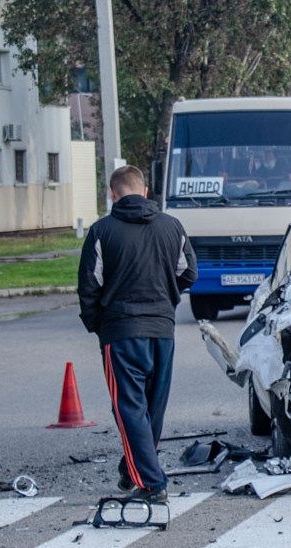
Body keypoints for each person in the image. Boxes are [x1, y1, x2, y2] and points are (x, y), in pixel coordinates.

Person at [77, 165, 197, 502]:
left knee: (128, 407)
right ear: (144, 191)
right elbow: (188, 273)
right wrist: (166, 299)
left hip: (121, 330)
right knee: (151, 407)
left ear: (113, 194)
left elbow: (89, 286)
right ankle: (135, 469)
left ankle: (150, 482)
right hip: (162, 328)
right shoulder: (172, 226)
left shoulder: (102, 231)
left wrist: (97, 324)